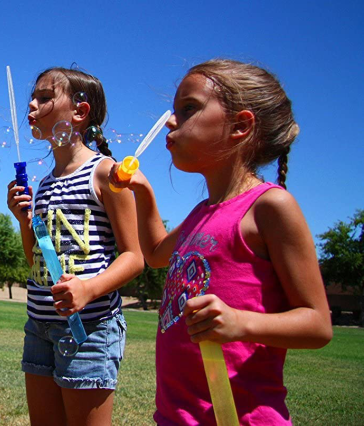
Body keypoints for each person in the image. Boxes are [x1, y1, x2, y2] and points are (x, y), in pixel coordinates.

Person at [108, 59, 333, 425]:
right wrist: (144, 192)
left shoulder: (269, 206)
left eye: (189, 108)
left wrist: (240, 322)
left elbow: (318, 324)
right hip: (176, 415)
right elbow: (154, 254)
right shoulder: (202, 212)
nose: (169, 121)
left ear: (240, 126)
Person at [7, 67, 144, 425]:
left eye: (45, 97)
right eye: (31, 98)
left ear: (79, 114)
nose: (32, 106)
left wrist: (88, 289)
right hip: (38, 325)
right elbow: (36, 261)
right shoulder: (44, 184)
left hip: (91, 328)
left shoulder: (105, 174)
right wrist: (24, 221)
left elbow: (134, 258)